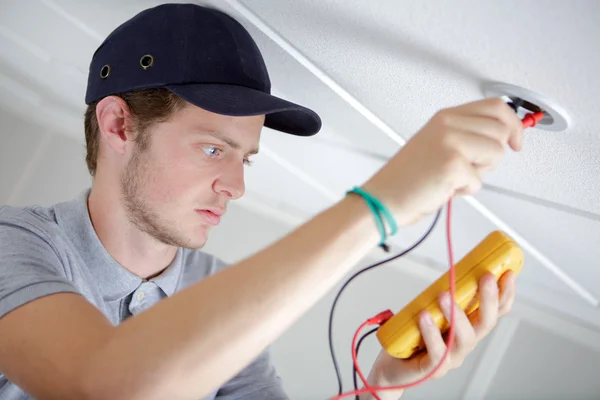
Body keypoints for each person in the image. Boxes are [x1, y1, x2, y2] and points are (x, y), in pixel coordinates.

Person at [0, 3, 520, 400]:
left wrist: (381, 386)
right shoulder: (13, 244)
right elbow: (105, 384)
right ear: (118, 125)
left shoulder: (216, 293)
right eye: (212, 149)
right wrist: (377, 205)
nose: (236, 186)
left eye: (244, 159)